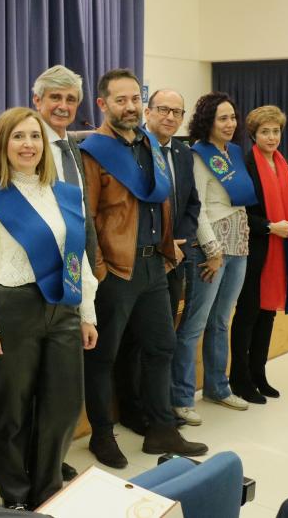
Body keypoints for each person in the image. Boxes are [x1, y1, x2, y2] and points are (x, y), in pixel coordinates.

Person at [0, 107, 99, 510]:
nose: (28, 145)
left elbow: (79, 258)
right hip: (13, 308)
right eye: (18, 137)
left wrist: (87, 312)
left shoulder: (64, 194)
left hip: (63, 308)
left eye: (35, 137)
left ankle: (48, 484)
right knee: (12, 407)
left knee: (64, 402)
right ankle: (15, 491)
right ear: (3, 145)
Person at [80, 69, 207, 469]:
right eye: (121, 100)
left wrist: (169, 250)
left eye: (136, 98)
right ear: (102, 105)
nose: (131, 106)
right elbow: (88, 217)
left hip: (156, 266)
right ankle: (101, 435)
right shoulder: (92, 151)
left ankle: (161, 429)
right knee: (103, 357)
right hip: (116, 271)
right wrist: (100, 271)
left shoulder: (148, 145)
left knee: (160, 348)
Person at [115, 89, 201, 434]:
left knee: (162, 340)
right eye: (163, 109)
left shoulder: (181, 151)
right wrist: (166, 243)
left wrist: (179, 242)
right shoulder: (135, 149)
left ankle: (158, 408)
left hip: (174, 257)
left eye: (177, 112)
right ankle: (132, 411)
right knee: (133, 342)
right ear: (148, 112)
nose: (169, 117)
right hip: (139, 259)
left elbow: (191, 204)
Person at [171, 92, 257, 425]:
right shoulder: (197, 155)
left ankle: (217, 388)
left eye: (233, 117)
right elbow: (199, 208)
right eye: (223, 118)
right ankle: (181, 397)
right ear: (207, 120)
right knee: (194, 324)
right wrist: (213, 250)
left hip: (240, 243)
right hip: (210, 249)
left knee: (221, 321)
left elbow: (240, 200)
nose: (230, 123)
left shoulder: (233, 152)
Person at [31, 64, 99, 482]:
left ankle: (50, 460)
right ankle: (30, 466)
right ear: (36, 100)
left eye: (70, 99)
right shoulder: (25, 144)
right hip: (37, 279)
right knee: (34, 386)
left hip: (76, 275)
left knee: (62, 386)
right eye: (54, 97)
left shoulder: (73, 146)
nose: (63, 105)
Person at [229, 105, 288, 403]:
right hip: (254, 250)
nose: (271, 137)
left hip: (279, 250)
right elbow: (240, 212)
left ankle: (259, 373)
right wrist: (270, 226)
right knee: (247, 315)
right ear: (253, 135)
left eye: (276, 131)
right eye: (265, 131)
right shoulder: (245, 165)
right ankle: (240, 380)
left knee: (267, 315)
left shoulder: (281, 164)